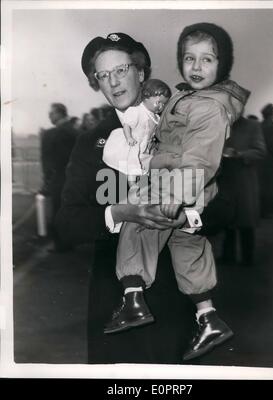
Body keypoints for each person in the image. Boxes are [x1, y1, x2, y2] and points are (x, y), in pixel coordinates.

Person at [105, 23, 250, 361]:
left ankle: (132, 299)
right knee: (188, 245)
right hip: (193, 193)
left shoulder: (209, 107)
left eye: (207, 59)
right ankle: (208, 317)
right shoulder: (192, 97)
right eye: (189, 58)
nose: (197, 67)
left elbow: (199, 157)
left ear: (222, 64)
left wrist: (174, 191)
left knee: (139, 221)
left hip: (177, 185)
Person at [55, 32, 188, 364]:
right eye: (103, 75)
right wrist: (119, 212)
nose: (113, 82)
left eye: (121, 70)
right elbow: (66, 223)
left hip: (172, 288)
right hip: (113, 294)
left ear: (141, 72)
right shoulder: (90, 141)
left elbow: (224, 206)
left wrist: (186, 215)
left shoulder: (181, 128)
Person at [103, 78, 171, 186]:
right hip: (133, 144)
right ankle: (132, 186)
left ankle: (144, 186)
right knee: (132, 167)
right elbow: (127, 125)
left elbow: (152, 133)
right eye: (158, 102)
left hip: (144, 147)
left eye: (164, 104)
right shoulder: (137, 111)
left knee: (145, 166)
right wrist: (129, 137)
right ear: (146, 97)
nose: (160, 106)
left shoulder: (156, 117)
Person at [218, 116, 266, 266]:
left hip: (245, 180)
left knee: (246, 221)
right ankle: (228, 255)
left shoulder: (253, 126)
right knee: (227, 219)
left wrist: (239, 154)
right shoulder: (222, 124)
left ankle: (247, 258)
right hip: (226, 179)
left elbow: (261, 151)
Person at [40, 102, 78, 251]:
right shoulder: (75, 131)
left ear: (59, 113)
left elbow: (50, 161)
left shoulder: (53, 134)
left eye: (51, 113)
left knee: (58, 211)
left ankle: (61, 244)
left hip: (59, 178)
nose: (49, 116)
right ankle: (69, 241)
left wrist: (47, 179)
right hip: (74, 178)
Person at [259, 103, 273, 217]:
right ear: (270, 114)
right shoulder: (271, 126)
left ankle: (267, 208)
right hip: (270, 160)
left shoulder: (261, 125)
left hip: (263, 160)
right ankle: (267, 210)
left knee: (265, 185)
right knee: (269, 185)